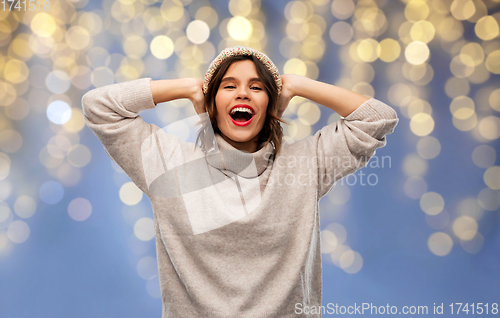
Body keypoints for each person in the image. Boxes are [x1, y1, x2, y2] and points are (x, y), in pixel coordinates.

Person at [81, 46, 399, 317]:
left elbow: (375, 119)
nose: (243, 92)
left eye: (257, 87)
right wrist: (188, 88)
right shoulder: (168, 164)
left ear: (270, 106)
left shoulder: (306, 164)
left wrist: (297, 85)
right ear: (212, 103)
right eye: (229, 86)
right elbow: (99, 107)